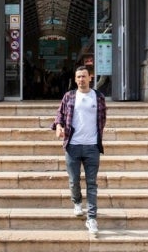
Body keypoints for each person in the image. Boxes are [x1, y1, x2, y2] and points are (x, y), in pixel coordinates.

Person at [51, 66, 107, 237]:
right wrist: (59, 127)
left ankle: (91, 218)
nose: (81, 79)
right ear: (75, 79)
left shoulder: (98, 97)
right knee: (74, 180)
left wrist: (95, 137)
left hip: (92, 147)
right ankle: (76, 202)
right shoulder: (69, 96)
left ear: (90, 78)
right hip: (73, 146)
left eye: (84, 76)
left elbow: (102, 119)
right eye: (78, 77)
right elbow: (59, 115)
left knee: (92, 184)